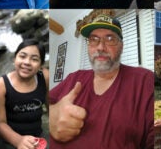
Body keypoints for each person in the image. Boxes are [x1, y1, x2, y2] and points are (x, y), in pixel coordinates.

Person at [49, 15, 154, 148]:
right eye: (93, 39)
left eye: (109, 39)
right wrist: (52, 114)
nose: (100, 47)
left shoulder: (144, 81)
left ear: (121, 46)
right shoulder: (73, 78)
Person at [0, 39, 49, 149]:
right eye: (22, 56)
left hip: (37, 137)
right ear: (14, 59)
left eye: (34, 59)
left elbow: (52, 108)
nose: (27, 62)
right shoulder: (1, 85)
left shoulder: (45, 78)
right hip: (10, 140)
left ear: (41, 65)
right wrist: (18, 141)